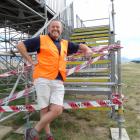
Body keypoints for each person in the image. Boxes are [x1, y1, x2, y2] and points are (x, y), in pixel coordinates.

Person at [17, 19, 92, 140]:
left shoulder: (65, 43)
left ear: (61, 30)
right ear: (49, 29)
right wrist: (30, 61)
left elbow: (80, 46)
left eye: (58, 27)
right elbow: (20, 45)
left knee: (57, 109)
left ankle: (33, 131)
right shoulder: (41, 39)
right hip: (42, 78)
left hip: (58, 80)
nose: (55, 29)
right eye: (53, 27)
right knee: (44, 108)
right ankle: (48, 135)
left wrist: (87, 49)